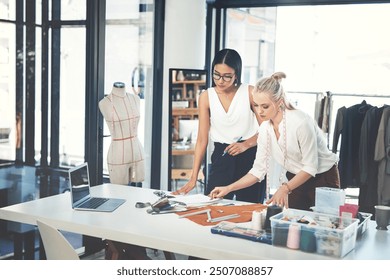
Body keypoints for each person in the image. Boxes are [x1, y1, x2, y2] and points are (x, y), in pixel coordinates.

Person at [210, 72, 340, 210]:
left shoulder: (300, 122)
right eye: (256, 105)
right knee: (294, 225)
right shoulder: (265, 129)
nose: (259, 112)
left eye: (265, 106)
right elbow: (258, 171)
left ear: (280, 102)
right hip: (296, 178)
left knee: (326, 226)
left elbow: (310, 167)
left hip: (323, 177)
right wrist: (228, 188)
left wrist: (285, 188)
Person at [173, 48, 266, 203]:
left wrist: (246, 144)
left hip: (251, 157)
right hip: (221, 157)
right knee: (213, 207)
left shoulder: (250, 92)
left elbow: (266, 129)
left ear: (236, 74)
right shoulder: (206, 97)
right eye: (216, 74)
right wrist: (193, 178)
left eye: (227, 76)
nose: (220, 80)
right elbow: (202, 140)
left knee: (250, 210)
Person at [99, 82, 145, 185]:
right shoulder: (104, 103)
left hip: (137, 153)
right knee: (119, 192)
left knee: (137, 192)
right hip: (118, 154)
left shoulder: (135, 99)